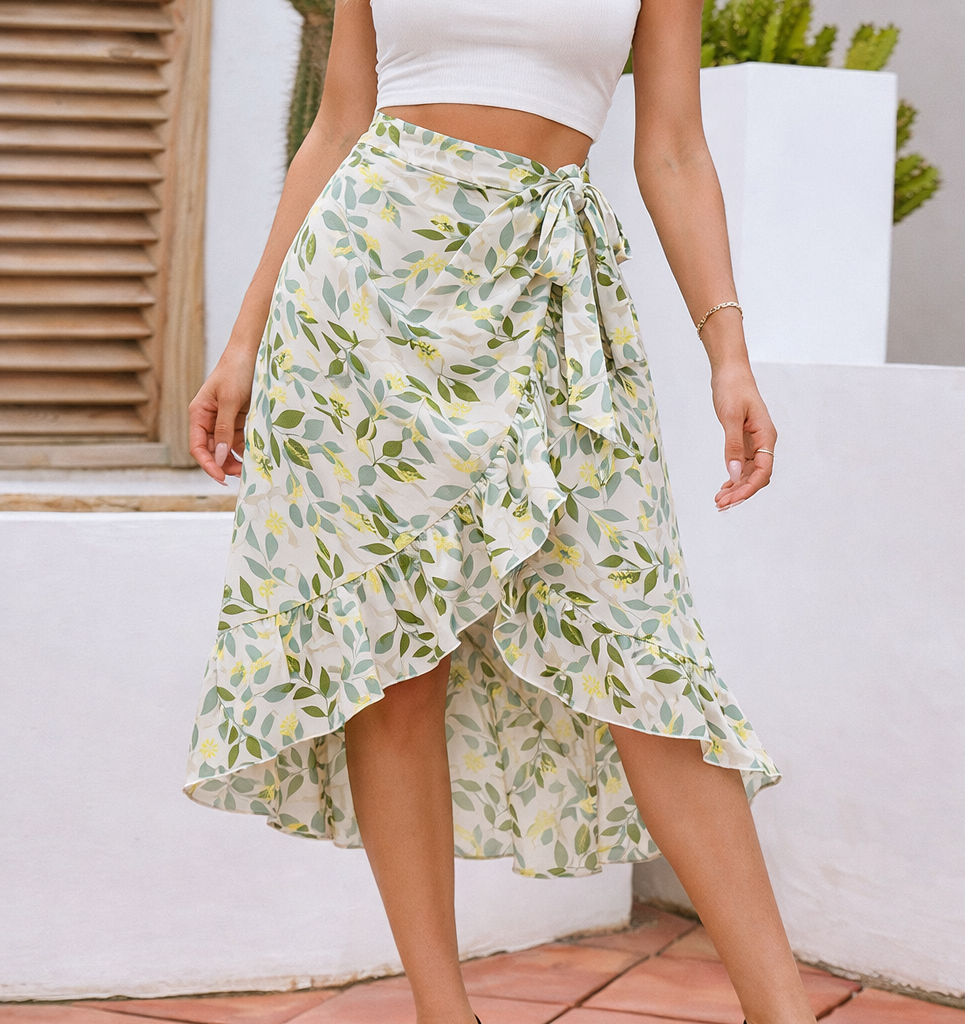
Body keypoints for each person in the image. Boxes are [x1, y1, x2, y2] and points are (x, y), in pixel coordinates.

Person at [185, 2, 811, 1023]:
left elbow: (674, 148)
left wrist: (728, 353)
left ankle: (779, 1012)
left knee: (639, 646)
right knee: (392, 662)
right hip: (364, 301)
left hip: (551, 301)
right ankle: (446, 1014)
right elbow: (338, 124)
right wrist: (244, 340)